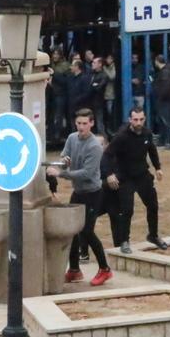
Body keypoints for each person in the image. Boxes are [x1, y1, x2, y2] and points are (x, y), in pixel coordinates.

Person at [50, 109, 113, 287]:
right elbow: (65, 156)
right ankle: (74, 270)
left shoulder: (94, 146)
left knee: (87, 231)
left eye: (85, 123)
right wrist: (63, 161)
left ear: (91, 123)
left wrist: (61, 173)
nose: (81, 127)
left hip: (93, 193)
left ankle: (105, 269)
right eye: (79, 123)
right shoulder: (72, 138)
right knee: (72, 230)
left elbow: (87, 173)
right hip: (78, 192)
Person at [104, 107, 166, 253]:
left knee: (153, 206)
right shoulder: (121, 137)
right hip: (125, 177)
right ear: (130, 120)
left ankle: (153, 235)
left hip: (142, 175)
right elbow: (107, 155)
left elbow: (152, 150)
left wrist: (157, 167)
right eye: (135, 119)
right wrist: (109, 174)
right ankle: (124, 241)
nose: (138, 122)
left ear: (144, 119)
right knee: (127, 210)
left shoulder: (147, 133)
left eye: (141, 119)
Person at [151, 54, 170, 149]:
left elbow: (165, 88)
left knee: (166, 121)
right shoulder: (167, 70)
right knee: (163, 121)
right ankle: (163, 140)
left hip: (164, 100)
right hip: (166, 100)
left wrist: (160, 97)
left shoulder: (165, 72)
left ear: (157, 61)